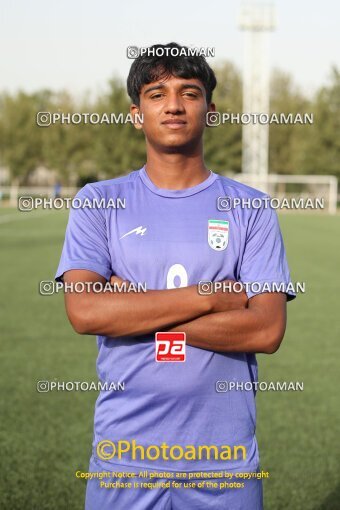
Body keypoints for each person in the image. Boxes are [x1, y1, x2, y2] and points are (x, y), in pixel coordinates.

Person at [55, 42, 295, 510]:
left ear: (210, 110)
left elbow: (265, 330)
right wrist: (210, 296)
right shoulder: (97, 201)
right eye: (156, 93)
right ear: (135, 113)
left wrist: (132, 306)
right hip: (124, 458)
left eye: (189, 92)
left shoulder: (251, 208)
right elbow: (85, 311)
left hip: (223, 462)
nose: (174, 104)